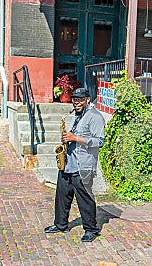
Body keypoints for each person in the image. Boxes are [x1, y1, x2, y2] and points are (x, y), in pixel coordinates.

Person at [44, 88, 106, 242]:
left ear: (87, 100)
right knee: (62, 196)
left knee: (85, 199)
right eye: (74, 99)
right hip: (68, 163)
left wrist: (76, 138)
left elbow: (99, 141)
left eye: (80, 100)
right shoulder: (73, 116)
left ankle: (92, 229)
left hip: (83, 165)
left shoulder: (95, 117)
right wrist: (66, 140)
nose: (76, 103)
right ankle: (60, 225)